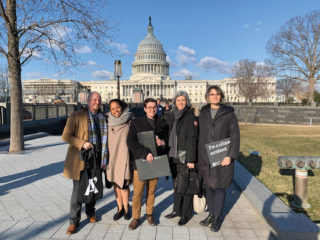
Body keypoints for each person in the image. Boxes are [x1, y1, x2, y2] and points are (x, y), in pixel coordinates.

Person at [62, 92, 108, 235]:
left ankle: (90, 212)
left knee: (93, 186)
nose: (97, 102)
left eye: (99, 100)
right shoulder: (76, 116)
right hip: (82, 159)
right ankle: (73, 221)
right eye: (94, 99)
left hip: (97, 158)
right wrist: (82, 143)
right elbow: (66, 136)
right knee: (78, 191)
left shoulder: (103, 117)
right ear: (88, 101)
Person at [198, 85, 240, 232]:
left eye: (217, 94)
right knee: (209, 186)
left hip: (222, 155)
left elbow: (235, 136)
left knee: (220, 187)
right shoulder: (203, 113)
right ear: (207, 97)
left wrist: (230, 156)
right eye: (211, 94)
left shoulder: (229, 114)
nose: (214, 97)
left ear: (221, 97)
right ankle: (211, 214)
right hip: (206, 155)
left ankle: (217, 218)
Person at [126, 98, 167, 230]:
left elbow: (167, 139)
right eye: (149, 107)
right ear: (144, 108)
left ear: (157, 107)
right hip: (141, 162)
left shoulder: (161, 122)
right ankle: (136, 217)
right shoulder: (136, 122)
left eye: (154, 107)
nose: (152, 109)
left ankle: (149, 214)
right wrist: (145, 153)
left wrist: (163, 143)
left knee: (151, 191)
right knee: (138, 192)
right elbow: (130, 142)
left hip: (155, 162)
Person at [165, 91, 198, 226]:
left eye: (183, 100)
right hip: (173, 155)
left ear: (187, 101)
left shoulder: (190, 117)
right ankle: (177, 210)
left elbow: (192, 139)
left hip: (185, 156)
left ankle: (186, 213)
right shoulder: (173, 116)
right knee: (177, 185)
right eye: (178, 100)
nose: (180, 102)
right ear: (174, 102)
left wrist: (191, 159)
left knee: (186, 186)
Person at [106, 99, 132, 221]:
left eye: (117, 107)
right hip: (113, 159)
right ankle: (119, 208)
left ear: (122, 107)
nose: (116, 110)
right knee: (116, 185)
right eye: (112, 109)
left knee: (124, 186)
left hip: (125, 157)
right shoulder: (108, 123)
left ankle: (127, 208)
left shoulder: (130, 121)